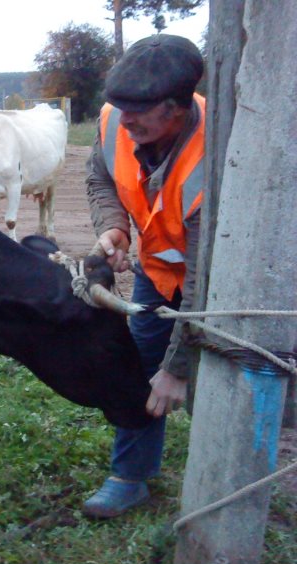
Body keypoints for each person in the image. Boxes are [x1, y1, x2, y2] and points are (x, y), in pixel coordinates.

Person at [82, 34, 205, 518]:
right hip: (157, 272)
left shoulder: (220, 149)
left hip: (215, 283)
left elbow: (206, 272)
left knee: (215, 377)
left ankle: (221, 475)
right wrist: (113, 227)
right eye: (120, 106)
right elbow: (100, 176)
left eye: (139, 111)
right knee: (140, 365)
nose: (124, 118)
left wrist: (178, 366)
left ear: (176, 109)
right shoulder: (118, 119)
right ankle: (130, 477)